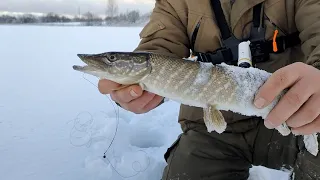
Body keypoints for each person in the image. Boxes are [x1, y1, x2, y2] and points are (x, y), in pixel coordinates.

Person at [98, 0, 320, 179]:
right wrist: (129, 89)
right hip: (210, 127)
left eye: (111, 59)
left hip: (294, 113)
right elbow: (159, 46)